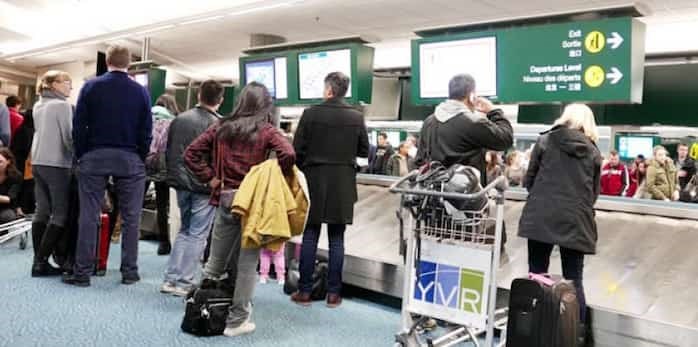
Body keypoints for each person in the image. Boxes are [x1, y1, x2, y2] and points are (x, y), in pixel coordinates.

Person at [185, 82, 295, 337]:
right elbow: (288, 153)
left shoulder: (221, 126)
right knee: (247, 263)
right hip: (252, 204)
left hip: (225, 197)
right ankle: (237, 321)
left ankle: (197, 304)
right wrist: (273, 172)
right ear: (264, 105)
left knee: (215, 261)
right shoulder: (267, 131)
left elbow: (191, 154)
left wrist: (211, 178)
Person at [63, 45, 152, 287]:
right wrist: (139, 156)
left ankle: (82, 273)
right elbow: (146, 131)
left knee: (89, 216)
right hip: (130, 158)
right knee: (132, 218)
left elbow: (79, 126)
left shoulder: (91, 86)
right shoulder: (141, 92)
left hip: (95, 155)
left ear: (108, 61)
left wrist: (83, 154)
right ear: (129, 64)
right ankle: (129, 272)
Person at [518, 104, 602, 337]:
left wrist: (543, 198)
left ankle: (533, 331)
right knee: (574, 280)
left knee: (537, 274)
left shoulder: (545, 141)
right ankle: (575, 334)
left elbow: (529, 180)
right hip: (576, 220)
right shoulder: (593, 151)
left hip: (541, 215)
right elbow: (593, 193)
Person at [291, 71, 369, 308]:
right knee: (337, 239)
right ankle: (334, 294)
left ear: (328, 90)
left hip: (314, 180)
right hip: (342, 183)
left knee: (310, 236)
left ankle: (304, 291)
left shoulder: (310, 114)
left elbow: (297, 150)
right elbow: (364, 151)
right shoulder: (356, 117)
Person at [160, 80, 224, 297]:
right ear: (220, 100)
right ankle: (185, 282)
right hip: (203, 186)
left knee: (185, 231)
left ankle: (171, 279)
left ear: (198, 95)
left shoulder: (179, 119)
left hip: (180, 184)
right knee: (198, 235)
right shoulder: (218, 124)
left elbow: (169, 151)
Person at [415, 74, 513, 185]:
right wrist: (494, 111)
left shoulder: (429, 121)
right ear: (472, 96)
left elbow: (419, 160)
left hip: (436, 194)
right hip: (466, 195)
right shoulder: (474, 122)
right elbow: (506, 139)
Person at [29, 70, 74, 277]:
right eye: (67, 82)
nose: (70, 87)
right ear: (53, 84)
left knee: (41, 211)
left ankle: (38, 261)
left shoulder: (39, 105)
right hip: (57, 164)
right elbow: (68, 137)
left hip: (37, 162)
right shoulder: (62, 106)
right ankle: (40, 262)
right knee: (60, 213)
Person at [146, 94, 180, 255]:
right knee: (166, 205)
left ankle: (162, 241)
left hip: (145, 164)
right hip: (166, 166)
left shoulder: (147, 117)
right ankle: (167, 242)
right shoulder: (175, 122)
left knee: (139, 204)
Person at [10, 108, 35, 215]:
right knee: (25, 187)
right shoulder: (31, 131)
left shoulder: (21, 129)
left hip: (17, 162)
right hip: (26, 165)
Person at [0, 148, 22, 223]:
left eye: (0, 162)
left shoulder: (15, 177)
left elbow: (11, 198)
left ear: (8, 161)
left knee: (7, 216)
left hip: (6, 208)